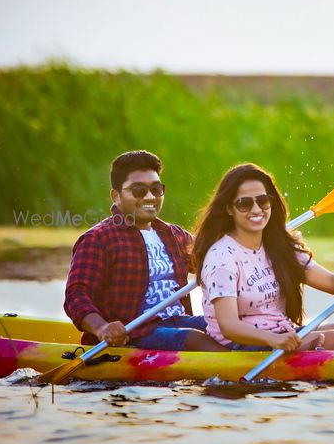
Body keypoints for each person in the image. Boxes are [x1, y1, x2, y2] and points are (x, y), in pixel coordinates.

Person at [192, 163, 334, 352]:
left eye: (263, 201)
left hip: (282, 334)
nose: (256, 209)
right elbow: (229, 325)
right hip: (242, 344)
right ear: (229, 209)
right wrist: (273, 340)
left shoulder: (279, 246)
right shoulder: (221, 257)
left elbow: (333, 283)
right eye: (244, 203)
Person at [64, 150, 226, 351]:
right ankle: (238, 378)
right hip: (134, 334)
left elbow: (216, 264)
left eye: (156, 189)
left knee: (227, 327)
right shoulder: (98, 239)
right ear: (116, 196)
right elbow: (76, 295)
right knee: (196, 339)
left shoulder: (174, 235)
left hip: (180, 322)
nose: (150, 197)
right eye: (139, 190)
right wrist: (102, 328)